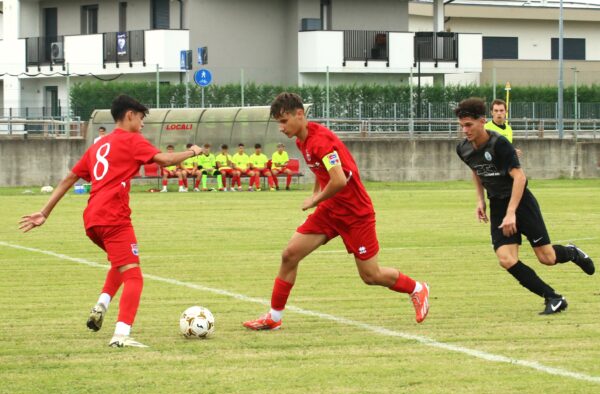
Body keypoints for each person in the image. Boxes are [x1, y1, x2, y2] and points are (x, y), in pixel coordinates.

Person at [19, 94, 203, 347]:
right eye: (140, 118)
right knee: (135, 277)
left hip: (92, 219)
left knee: (121, 263)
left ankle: (101, 305)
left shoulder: (98, 146)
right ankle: (121, 335)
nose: (142, 124)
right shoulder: (132, 140)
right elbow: (166, 160)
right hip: (114, 217)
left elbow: (68, 180)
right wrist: (193, 151)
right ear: (129, 115)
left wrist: (45, 212)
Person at [243, 92, 430, 331]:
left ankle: (417, 288)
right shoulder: (303, 139)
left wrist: (315, 200)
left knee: (370, 276)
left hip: (355, 214)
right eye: (278, 122)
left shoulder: (321, 141)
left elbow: (339, 180)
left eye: (283, 120)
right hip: (331, 210)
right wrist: (317, 196)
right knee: (290, 254)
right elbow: (322, 174)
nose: (281, 127)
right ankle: (274, 317)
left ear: (299, 114)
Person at [454, 97, 594, 315]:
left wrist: (512, 213)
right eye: (461, 126)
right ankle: (554, 298)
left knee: (546, 258)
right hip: (498, 205)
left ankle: (572, 252)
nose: (465, 130)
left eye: (469, 125)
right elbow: (475, 169)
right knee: (506, 259)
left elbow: (520, 178)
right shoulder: (462, 148)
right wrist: (480, 199)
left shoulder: (499, 143)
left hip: (520, 203)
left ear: (482, 121)